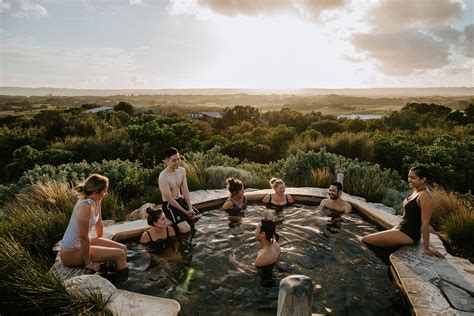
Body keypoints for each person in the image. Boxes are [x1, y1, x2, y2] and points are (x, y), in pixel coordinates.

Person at [361, 166, 445, 260]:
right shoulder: (416, 190)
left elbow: (425, 224)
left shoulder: (425, 195)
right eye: (409, 176)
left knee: (366, 240)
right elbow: (407, 216)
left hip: (409, 233)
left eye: (413, 178)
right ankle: (383, 261)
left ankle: (381, 261)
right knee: (377, 243)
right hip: (401, 228)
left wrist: (426, 248)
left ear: (423, 179)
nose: (409, 180)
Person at [60, 174, 128, 273]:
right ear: (96, 192)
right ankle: (122, 282)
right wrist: (88, 263)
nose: (105, 193)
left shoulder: (96, 200)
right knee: (120, 254)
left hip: (81, 244)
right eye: (104, 191)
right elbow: (83, 237)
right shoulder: (85, 206)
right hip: (70, 252)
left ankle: (116, 270)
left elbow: (98, 221)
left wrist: (101, 240)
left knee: (123, 248)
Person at [158, 147, 201, 234]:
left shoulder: (182, 171)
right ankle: (178, 239)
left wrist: (189, 208)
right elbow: (169, 199)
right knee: (186, 229)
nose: (177, 162)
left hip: (180, 200)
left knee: (198, 217)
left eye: (178, 159)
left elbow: (185, 190)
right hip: (170, 205)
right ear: (166, 161)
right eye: (174, 160)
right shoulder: (163, 176)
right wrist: (185, 212)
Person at [229, 219, 281, 286]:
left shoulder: (263, 256)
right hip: (274, 268)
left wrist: (234, 262)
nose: (255, 231)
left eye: (256, 229)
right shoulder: (275, 243)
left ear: (263, 234)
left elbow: (251, 270)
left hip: (266, 281)